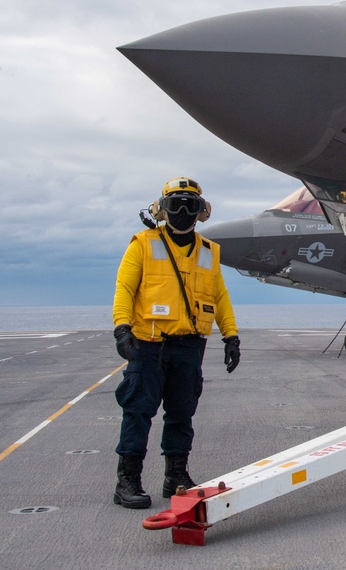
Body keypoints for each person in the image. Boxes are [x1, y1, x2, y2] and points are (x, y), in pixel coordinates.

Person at [111, 177, 242, 509]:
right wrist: (122, 329)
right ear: (161, 209)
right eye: (176, 204)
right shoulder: (142, 243)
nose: (183, 212)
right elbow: (124, 289)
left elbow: (219, 296)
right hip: (148, 343)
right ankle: (127, 481)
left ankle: (177, 477)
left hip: (189, 346)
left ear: (201, 212)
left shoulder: (209, 252)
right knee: (138, 411)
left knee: (182, 413)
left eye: (191, 205)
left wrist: (231, 336)